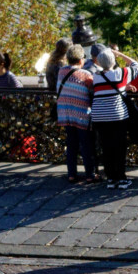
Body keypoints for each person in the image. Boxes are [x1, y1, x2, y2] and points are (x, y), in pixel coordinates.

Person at [86, 48, 136, 191]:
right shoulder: (120, 74)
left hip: (99, 117)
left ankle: (111, 179)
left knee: (106, 148)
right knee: (119, 148)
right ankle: (121, 179)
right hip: (117, 116)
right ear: (113, 61)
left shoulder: (96, 77)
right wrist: (120, 54)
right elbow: (136, 65)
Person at [54, 45, 97, 184]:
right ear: (80, 60)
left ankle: (71, 174)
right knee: (86, 145)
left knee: (71, 144)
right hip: (81, 114)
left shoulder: (61, 71)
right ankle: (90, 174)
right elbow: (93, 92)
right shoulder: (86, 74)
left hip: (65, 113)